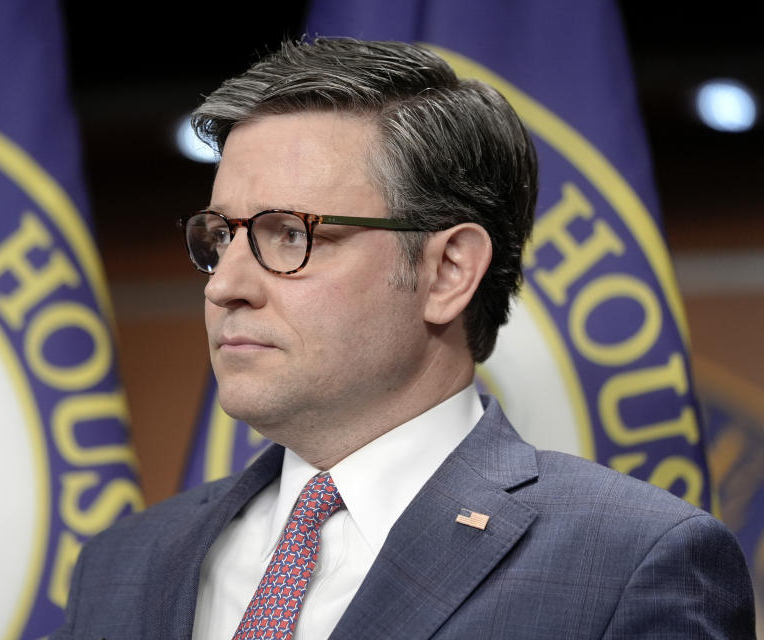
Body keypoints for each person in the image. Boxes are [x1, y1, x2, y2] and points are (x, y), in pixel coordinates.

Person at [52, 38, 754, 639]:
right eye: (220, 238)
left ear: (449, 271)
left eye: (289, 235)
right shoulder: (122, 565)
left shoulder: (629, 565)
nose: (223, 285)